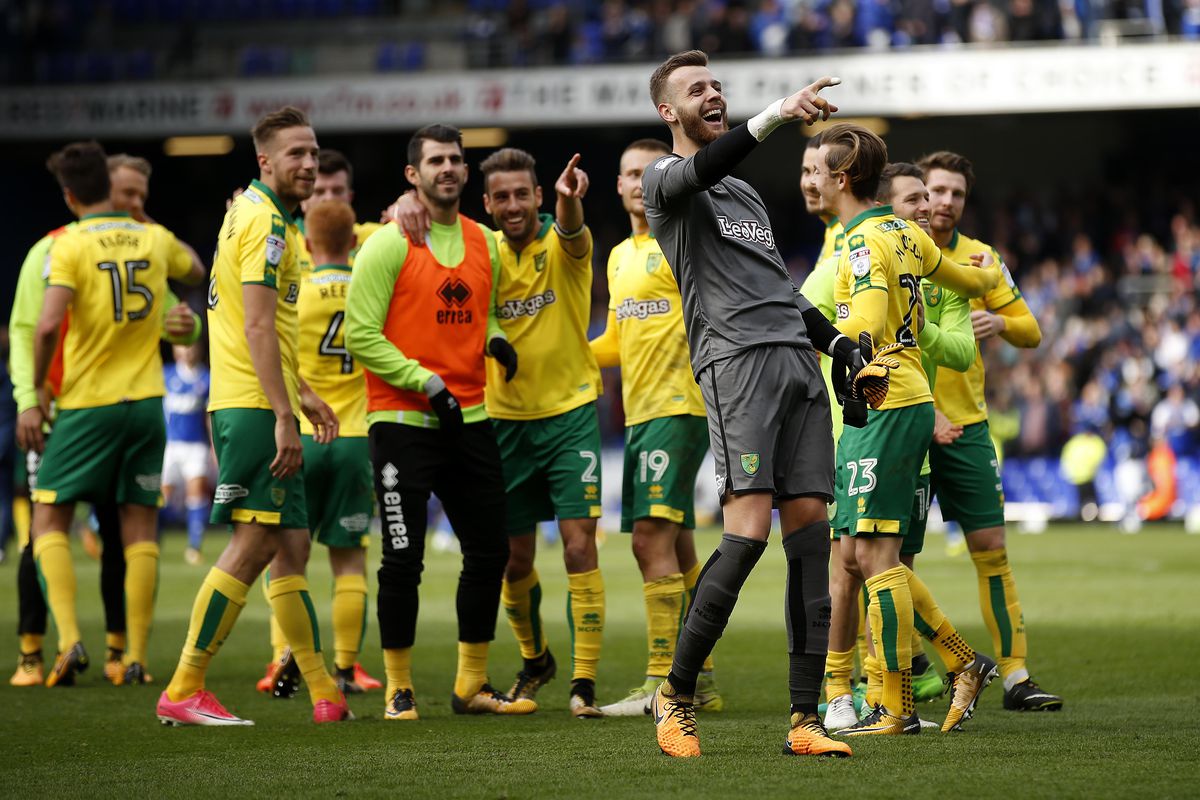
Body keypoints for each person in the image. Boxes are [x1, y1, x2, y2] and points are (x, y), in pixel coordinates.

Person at [640, 49, 873, 758]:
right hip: (736, 367)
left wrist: (837, 347)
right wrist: (778, 113)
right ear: (667, 111)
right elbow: (701, 167)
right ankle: (673, 696)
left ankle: (803, 721)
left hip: (796, 369)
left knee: (810, 539)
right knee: (745, 537)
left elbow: (782, 290)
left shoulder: (742, 196)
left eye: (716, 85)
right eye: (695, 89)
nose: (711, 94)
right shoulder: (665, 182)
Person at [157, 106, 351, 726]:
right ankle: (185, 685)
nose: (310, 163)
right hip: (249, 406)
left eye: (314, 152)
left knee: (288, 542)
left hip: (252, 397)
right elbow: (258, 324)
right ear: (264, 160)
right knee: (256, 542)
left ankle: (326, 694)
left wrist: (302, 393)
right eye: (295, 154)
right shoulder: (267, 223)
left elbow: (260, 329)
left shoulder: (252, 214)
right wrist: (284, 417)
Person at [810, 123, 1001, 736]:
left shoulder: (862, 242)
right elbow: (963, 278)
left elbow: (863, 320)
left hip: (881, 398)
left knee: (874, 556)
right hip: (907, 394)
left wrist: (853, 351)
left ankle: (897, 704)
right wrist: (986, 277)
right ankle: (954, 666)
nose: (810, 180)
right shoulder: (904, 234)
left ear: (840, 178)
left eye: (818, 171)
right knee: (869, 555)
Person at [345, 124, 532, 721]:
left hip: (471, 419)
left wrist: (497, 341)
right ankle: (398, 687)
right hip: (403, 421)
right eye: (435, 161)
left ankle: (470, 685)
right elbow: (361, 336)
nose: (447, 168)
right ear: (413, 175)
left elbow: (481, 315)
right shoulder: (386, 243)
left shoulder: (483, 241)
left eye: (455, 159)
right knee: (403, 558)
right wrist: (425, 381)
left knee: (488, 552)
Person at [8, 153, 202, 688]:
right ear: (105, 191)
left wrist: (183, 329)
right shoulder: (59, 249)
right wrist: (29, 396)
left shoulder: (71, 248)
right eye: (127, 194)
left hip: (83, 405)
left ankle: (87, 645)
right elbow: (26, 329)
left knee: (51, 522)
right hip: (133, 405)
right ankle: (68, 652)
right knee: (127, 530)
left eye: (143, 195)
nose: (136, 205)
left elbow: (45, 328)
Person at [918, 150, 1062, 712]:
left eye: (956, 193)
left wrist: (999, 321)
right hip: (903, 421)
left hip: (969, 426)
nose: (945, 202)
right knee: (885, 560)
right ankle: (908, 671)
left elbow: (1031, 331)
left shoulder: (981, 259)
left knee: (992, 550)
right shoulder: (892, 250)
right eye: (935, 191)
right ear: (917, 193)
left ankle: (1016, 677)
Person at [589, 138, 721, 717]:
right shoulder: (618, 256)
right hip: (641, 414)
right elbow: (616, 342)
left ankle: (662, 683)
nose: (636, 182)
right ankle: (703, 680)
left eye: (647, 172)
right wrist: (560, 353)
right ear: (617, 186)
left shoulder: (681, 242)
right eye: (627, 174)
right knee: (679, 547)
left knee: (649, 540)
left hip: (679, 405)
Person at [162, 343, 211, 566]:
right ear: (175, 349)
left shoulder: (206, 378)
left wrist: (213, 447)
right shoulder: (165, 375)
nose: (188, 351)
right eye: (183, 346)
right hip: (170, 446)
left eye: (192, 346)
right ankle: (152, 540)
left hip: (195, 446)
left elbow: (210, 417)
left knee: (196, 494)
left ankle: (194, 546)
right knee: (162, 498)